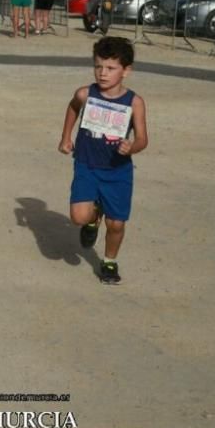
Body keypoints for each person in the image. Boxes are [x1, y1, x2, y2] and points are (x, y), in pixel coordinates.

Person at [58, 37, 148, 284]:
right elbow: (73, 107)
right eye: (98, 66)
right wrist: (66, 137)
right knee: (78, 217)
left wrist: (132, 147)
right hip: (86, 164)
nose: (102, 73)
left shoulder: (134, 103)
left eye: (110, 68)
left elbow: (142, 138)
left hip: (118, 171)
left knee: (116, 224)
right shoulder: (85, 94)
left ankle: (109, 261)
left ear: (126, 71)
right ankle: (92, 217)